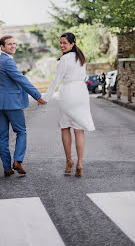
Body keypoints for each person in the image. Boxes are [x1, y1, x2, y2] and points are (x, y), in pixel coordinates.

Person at [0, 35, 46, 177]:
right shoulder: (8, 62)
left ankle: (7, 167)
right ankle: (18, 160)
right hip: (12, 104)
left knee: (2, 136)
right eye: (9, 44)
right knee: (21, 132)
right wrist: (37, 95)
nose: (13, 46)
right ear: (2, 47)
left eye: (14, 44)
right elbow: (21, 79)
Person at [41, 32, 95, 177]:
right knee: (79, 130)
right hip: (81, 93)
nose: (62, 45)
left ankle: (69, 161)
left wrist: (45, 98)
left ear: (72, 44)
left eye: (65, 43)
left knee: (65, 127)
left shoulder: (64, 59)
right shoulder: (81, 58)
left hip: (68, 94)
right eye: (61, 43)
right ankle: (80, 163)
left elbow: (56, 80)